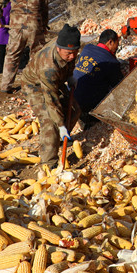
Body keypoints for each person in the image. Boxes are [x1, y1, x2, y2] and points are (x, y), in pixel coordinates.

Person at [20, 24, 81, 168]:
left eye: (75, 52)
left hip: (56, 80)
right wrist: (60, 124)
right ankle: (49, 162)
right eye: (68, 53)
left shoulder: (66, 46)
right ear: (58, 49)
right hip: (34, 85)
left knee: (75, 109)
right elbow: (51, 100)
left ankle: (60, 140)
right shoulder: (48, 66)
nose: (72, 56)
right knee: (49, 120)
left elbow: (70, 60)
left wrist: (70, 75)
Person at [0, 0, 48, 93]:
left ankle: (6, 86)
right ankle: (36, 84)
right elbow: (45, 11)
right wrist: (44, 26)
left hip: (16, 27)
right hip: (34, 28)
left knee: (12, 55)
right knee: (37, 56)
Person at [72, 29, 124, 127]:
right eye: (117, 43)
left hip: (71, 99)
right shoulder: (111, 62)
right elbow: (119, 85)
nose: (117, 47)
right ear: (110, 42)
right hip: (87, 107)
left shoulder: (87, 48)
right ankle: (91, 118)